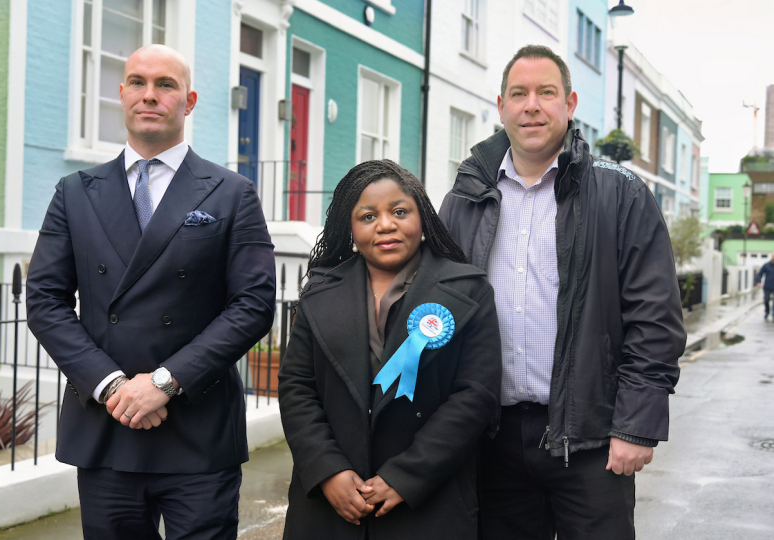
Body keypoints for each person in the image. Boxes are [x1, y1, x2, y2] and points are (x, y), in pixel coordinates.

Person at [26, 44, 276, 539]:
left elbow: (252, 305)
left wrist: (164, 382)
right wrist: (114, 387)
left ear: (189, 101)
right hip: (107, 425)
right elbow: (44, 301)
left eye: (166, 85)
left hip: (198, 428)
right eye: (138, 83)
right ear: (122, 94)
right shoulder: (74, 192)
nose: (149, 95)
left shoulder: (232, 192)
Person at [439, 45, 686, 539]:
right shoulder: (464, 198)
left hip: (592, 440)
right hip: (493, 439)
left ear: (569, 104)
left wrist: (635, 426)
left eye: (546, 92)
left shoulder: (621, 194)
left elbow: (654, 317)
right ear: (501, 106)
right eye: (519, 94)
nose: (531, 105)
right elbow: (438, 307)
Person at [278, 160, 501, 540]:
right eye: (368, 216)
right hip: (331, 507)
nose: (385, 224)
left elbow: (475, 396)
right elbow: (296, 386)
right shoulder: (319, 291)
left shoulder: (469, 290)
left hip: (429, 502)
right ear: (349, 227)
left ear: (422, 216)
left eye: (399, 211)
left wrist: (406, 476)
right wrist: (327, 470)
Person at [756, 252, 774, 320]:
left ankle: (773, 315)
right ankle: (767, 312)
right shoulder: (766, 265)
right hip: (767, 286)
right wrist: (759, 282)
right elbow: (760, 274)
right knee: (766, 300)